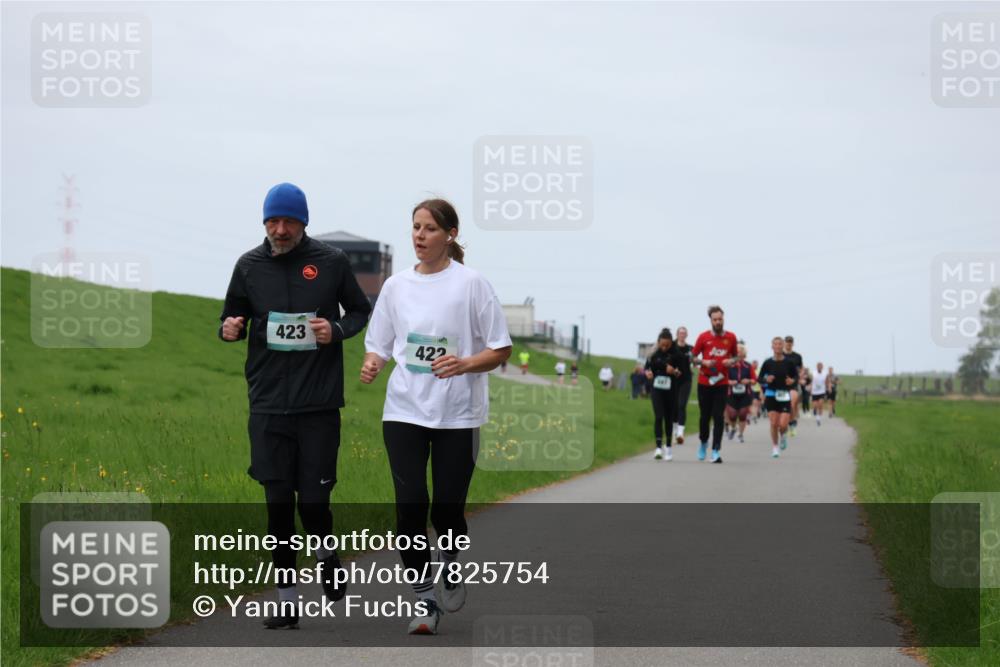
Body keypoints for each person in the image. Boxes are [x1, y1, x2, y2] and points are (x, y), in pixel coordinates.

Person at [219, 182, 372, 630]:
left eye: (288, 221)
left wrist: (335, 331)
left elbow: (359, 311)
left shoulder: (331, 262)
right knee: (279, 506)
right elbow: (231, 314)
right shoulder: (248, 265)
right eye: (273, 221)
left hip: (317, 405)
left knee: (315, 503)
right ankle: (287, 601)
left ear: (304, 222)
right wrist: (228, 328)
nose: (280, 230)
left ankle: (326, 553)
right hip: (267, 404)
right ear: (264, 222)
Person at [361, 198, 512, 635]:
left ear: (450, 234)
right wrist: (373, 363)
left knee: (447, 510)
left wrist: (464, 364)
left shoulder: (472, 284)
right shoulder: (396, 286)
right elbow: (380, 343)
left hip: (458, 415)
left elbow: (500, 348)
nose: (419, 235)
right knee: (410, 507)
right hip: (404, 410)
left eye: (429, 228)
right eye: (415, 227)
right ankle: (425, 599)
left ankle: (449, 558)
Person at [691, 306, 739, 463]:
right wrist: (703, 361)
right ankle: (703, 442)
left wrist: (731, 361)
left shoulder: (731, 337)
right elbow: (691, 357)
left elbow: (737, 357)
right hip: (705, 382)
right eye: (715, 320)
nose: (718, 322)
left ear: (723, 319)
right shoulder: (703, 337)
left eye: (720, 319)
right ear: (711, 320)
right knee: (704, 416)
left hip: (721, 382)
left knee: (718, 416)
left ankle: (716, 450)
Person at [645, 328, 685, 460]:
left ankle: (668, 446)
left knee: (668, 418)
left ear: (671, 343)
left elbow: (682, 372)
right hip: (656, 388)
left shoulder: (677, 354)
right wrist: (648, 373)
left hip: (671, 389)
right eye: (662, 345)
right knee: (658, 416)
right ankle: (658, 448)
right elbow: (647, 368)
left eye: (667, 345)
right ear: (658, 342)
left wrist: (675, 372)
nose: (664, 348)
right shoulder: (653, 353)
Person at [760, 337, 799, 458]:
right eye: (775, 344)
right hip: (771, 394)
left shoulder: (789, 363)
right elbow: (759, 378)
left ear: (783, 346)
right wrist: (766, 379)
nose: (777, 346)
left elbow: (796, 377)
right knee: (773, 423)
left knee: (782, 425)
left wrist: (792, 381)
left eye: (780, 344)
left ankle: (783, 435)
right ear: (772, 346)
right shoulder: (767, 363)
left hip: (784, 395)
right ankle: (775, 447)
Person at [724, 344, 756, 443]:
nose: (738, 354)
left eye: (740, 352)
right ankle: (733, 428)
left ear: (743, 354)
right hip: (731, 393)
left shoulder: (748, 366)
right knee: (732, 415)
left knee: (742, 414)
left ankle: (740, 434)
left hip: (745, 394)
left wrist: (748, 381)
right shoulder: (728, 366)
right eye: (736, 352)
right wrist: (729, 382)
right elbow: (722, 378)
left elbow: (754, 380)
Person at [672, 326, 694, 445]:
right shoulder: (672, 346)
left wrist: (695, 364)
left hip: (686, 379)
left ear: (686, 335)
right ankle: (674, 431)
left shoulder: (690, 348)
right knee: (674, 406)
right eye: (680, 333)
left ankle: (680, 433)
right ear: (677, 334)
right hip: (673, 380)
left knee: (681, 405)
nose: (682, 335)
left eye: (684, 333)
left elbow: (695, 360)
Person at [783, 336, 804, 437]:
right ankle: (788, 422)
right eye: (787, 342)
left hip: (793, 383)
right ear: (784, 343)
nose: (789, 344)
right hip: (781, 384)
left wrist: (800, 377)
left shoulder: (797, 356)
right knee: (782, 406)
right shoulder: (780, 355)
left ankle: (791, 423)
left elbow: (801, 369)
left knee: (791, 404)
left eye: (790, 342)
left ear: (793, 344)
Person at [811, 362, 831, 426]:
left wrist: (829, 387)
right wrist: (810, 388)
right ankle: (814, 409)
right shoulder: (813, 373)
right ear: (817, 367)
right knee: (815, 405)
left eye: (821, 366)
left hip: (822, 391)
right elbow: (811, 381)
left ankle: (818, 418)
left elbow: (828, 381)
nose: (819, 367)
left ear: (822, 367)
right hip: (814, 392)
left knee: (820, 404)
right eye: (818, 366)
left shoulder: (825, 374)